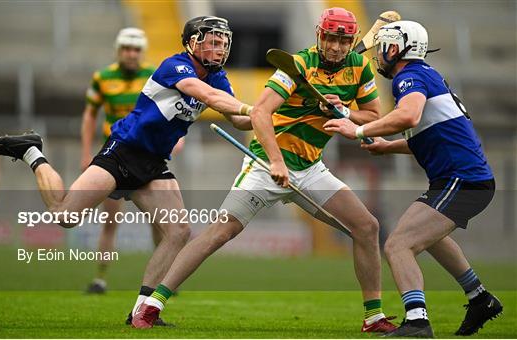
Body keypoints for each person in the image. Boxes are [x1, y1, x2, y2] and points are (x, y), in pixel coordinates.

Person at [132, 8, 397, 334]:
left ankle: (373, 318)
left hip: (311, 168)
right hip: (265, 163)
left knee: (367, 227)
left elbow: (373, 116)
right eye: (331, 38)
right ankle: (152, 305)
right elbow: (259, 113)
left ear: (352, 42)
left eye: (344, 41)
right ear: (319, 36)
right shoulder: (298, 65)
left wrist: (345, 112)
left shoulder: (359, 68)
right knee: (219, 233)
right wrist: (275, 161)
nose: (338, 47)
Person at [0, 15, 251, 326]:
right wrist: (248, 109)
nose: (219, 49)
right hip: (122, 153)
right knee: (65, 216)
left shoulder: (219, 78)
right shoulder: (175, 66)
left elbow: (238, 117)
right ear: (192, 42)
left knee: (179, 231)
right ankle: (30, 151)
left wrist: (265, 114)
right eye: (213, 41)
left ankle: (142, 312)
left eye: (223, 43)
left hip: (152, 165)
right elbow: (208, 97)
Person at [323, 20, 502, 337]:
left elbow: (408, 117)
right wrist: (387, 147)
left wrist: (359, 129)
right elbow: (429, 136)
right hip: (464, 180)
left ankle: (417, 321)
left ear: (395, 48)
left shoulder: (409, 77)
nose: (378, 56)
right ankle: (480, 298)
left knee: (398, 245)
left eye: (382, 49)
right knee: (429, 239)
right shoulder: (426, 76)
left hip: (462, 181)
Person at [81, 27, 159, 294]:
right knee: (110, 220)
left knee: (160, 219)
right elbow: (90, 114)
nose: (131, 54)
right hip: (114, 155)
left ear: (142, 51)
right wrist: (85, 152)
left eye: (136, 49)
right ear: (118, 50)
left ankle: (160, 277)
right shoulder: (102, 77)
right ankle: (100, 278)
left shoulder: (153, 75)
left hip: (147, 155)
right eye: (126, 48)